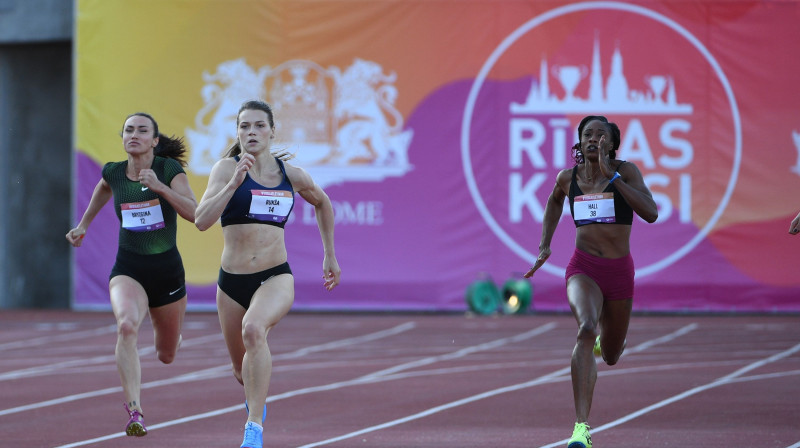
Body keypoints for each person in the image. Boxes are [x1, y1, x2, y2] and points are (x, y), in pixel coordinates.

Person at [194, 99, 341, 448]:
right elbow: (201, 221)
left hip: (275, 276)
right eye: (244, 126)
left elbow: (322, 202)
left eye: (259, 125)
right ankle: (255, 402)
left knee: (254, 329)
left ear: (272, 131)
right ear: (238, 133)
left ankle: (253, 429)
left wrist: (329, 255)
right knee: (240, 370)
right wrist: (233, 183)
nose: (252, 132)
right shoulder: (224, 169)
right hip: (231, 283)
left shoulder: (289, 175)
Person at [524, 116, 658, 448]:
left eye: (601, 135)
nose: (593, 139)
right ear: (579, 143)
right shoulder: (568, 178)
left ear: (612, 144)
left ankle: (607, 344)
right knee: (585, 328)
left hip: (619, 273)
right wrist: (544, 245)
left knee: (611, 355)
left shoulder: (625, 172)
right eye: (587, 134)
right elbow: (555, 200)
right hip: (583, 268)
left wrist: (612, 176)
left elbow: (651, 212)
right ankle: (581, 429)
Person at [66, 112, 197, 436]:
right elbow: (102, 189)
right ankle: (135, 410)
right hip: (129, 268)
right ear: (123, 138)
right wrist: (83, 225)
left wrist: (160, 188)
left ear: (154, 140)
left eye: (142, 130)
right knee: (126, 326)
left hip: (167, 272)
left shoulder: (169, 170)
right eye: (128, 130)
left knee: (166, 355)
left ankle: (172, 336)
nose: (133, 134)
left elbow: (195, 213)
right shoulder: (114, 171)